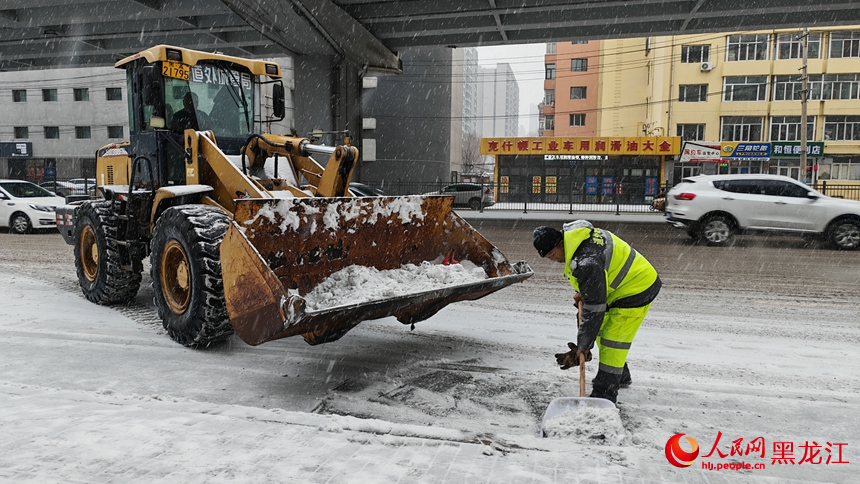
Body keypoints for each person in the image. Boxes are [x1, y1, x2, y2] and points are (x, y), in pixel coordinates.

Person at [533, 220, 661, 404]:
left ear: (560, 243)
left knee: (613, 341)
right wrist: (586, 292)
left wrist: (583, 346)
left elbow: (594, 308)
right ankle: (620, 375)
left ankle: (605, 393)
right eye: (548, 258)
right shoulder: (579, 239)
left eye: (553, 254)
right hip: (623, 284)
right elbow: (597, 285)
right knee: (602, 333)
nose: (553, 259)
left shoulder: (586, 262)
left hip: (637, 289)